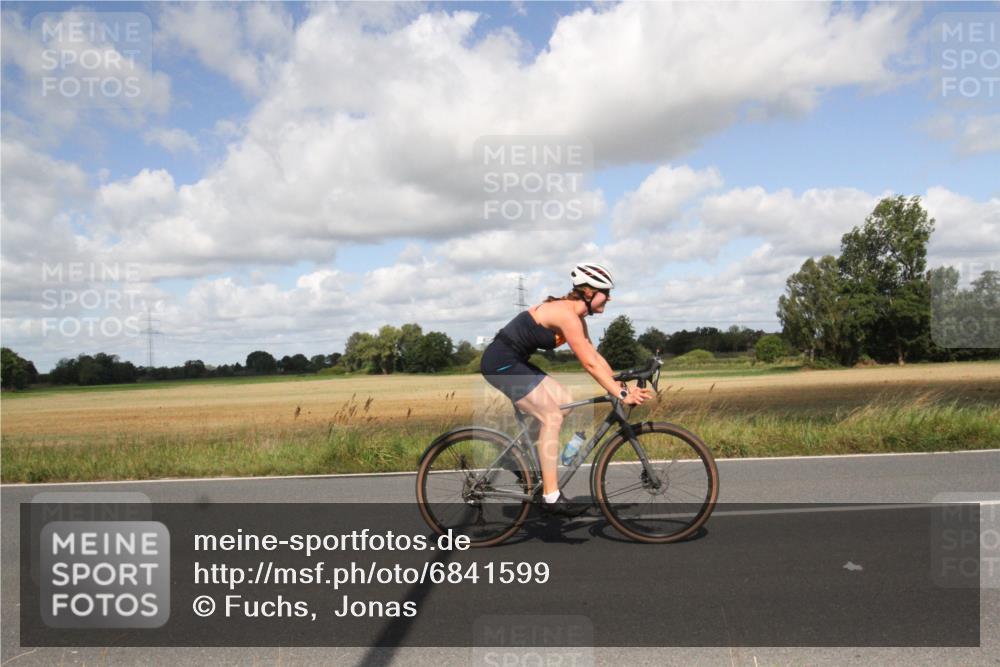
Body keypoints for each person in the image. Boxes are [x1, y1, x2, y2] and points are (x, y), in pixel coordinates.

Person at [480, 262, 654, 515]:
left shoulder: (577, 319)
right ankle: (551, 496)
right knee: (551, 416)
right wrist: (622, 394)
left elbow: (595, 356)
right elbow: (588, 364)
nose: (610, 297)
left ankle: (518, 457)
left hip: (515, 361)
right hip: (500, 364)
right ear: (589, 292)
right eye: (606, 292)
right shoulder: (566, 315)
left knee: (563, 401)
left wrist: (620, 384)